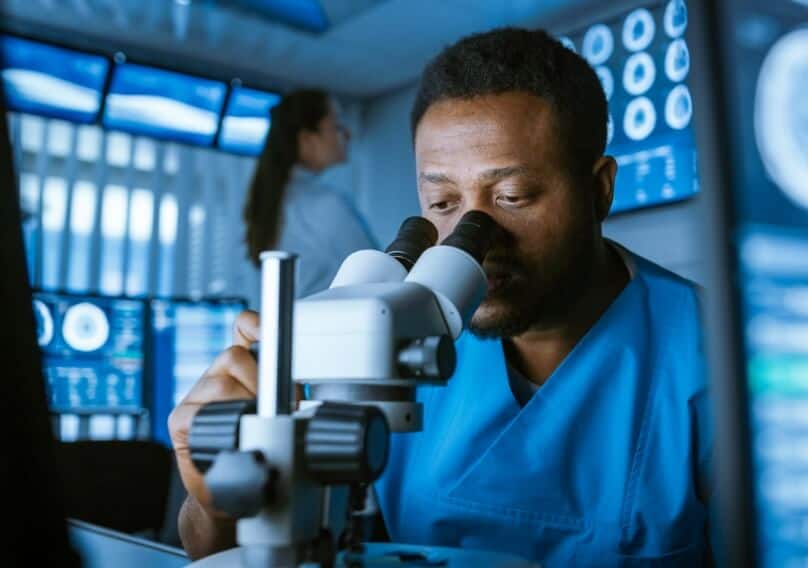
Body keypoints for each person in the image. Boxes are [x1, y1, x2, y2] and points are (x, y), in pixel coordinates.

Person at [170, 28, 712, 565]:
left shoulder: (717, 356)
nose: (473, 238)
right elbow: (222, 549)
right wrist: (216, 492)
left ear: (598, 190)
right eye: (443, 202)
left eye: (512, 196)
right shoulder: (392, 337)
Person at [242, 89, 377, 304]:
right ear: (306, 139)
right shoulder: (322, 204)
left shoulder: (276, 202)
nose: (347, 134)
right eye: (336, 126)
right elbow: (379, 278)